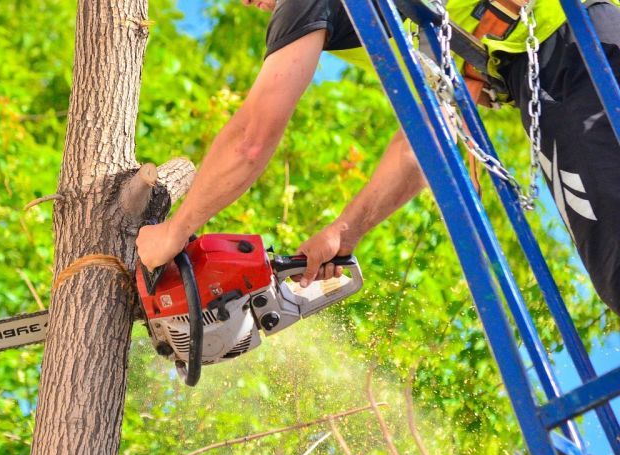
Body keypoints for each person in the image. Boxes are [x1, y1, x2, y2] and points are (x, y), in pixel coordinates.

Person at [136, 0, 620, 316]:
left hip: (579, 56)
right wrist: (344, 232)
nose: (248, 4)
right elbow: (422, 140)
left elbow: (251, 140)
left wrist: (171, 234)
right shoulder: (401, 20)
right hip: (568, 56)